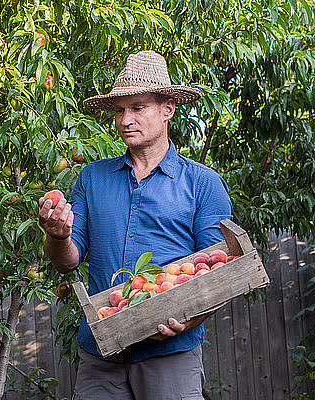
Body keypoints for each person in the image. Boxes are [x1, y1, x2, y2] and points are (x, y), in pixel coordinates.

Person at [38, 50, 232, 399]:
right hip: (102, 355)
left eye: (137, 108)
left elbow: (217, 271)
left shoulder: (202, 183)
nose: (125, 119)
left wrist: (190, 320)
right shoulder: (92, 178)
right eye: (119, 110)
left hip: (169, 353)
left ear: (167, 108)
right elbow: (66, 260)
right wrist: (57, 235)